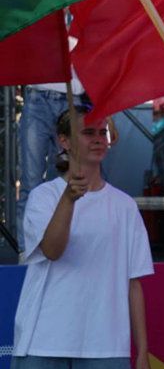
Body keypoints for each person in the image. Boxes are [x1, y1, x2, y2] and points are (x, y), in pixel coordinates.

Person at [10, 106, 154, 369]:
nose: (98, 138)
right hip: (42, 344)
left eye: (102, 131)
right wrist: (69, 200)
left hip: (106, 347)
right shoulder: (43, 198)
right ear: (63, 141)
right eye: (88, 132)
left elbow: (134, 284)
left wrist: (142, 349)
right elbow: (53, 250)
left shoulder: (124, 206)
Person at [17, 73, 85, 246]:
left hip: (72, 98)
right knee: (30, 183)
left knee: (66, 184)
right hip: (38, 96)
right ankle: (27, 252)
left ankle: (61, 248)